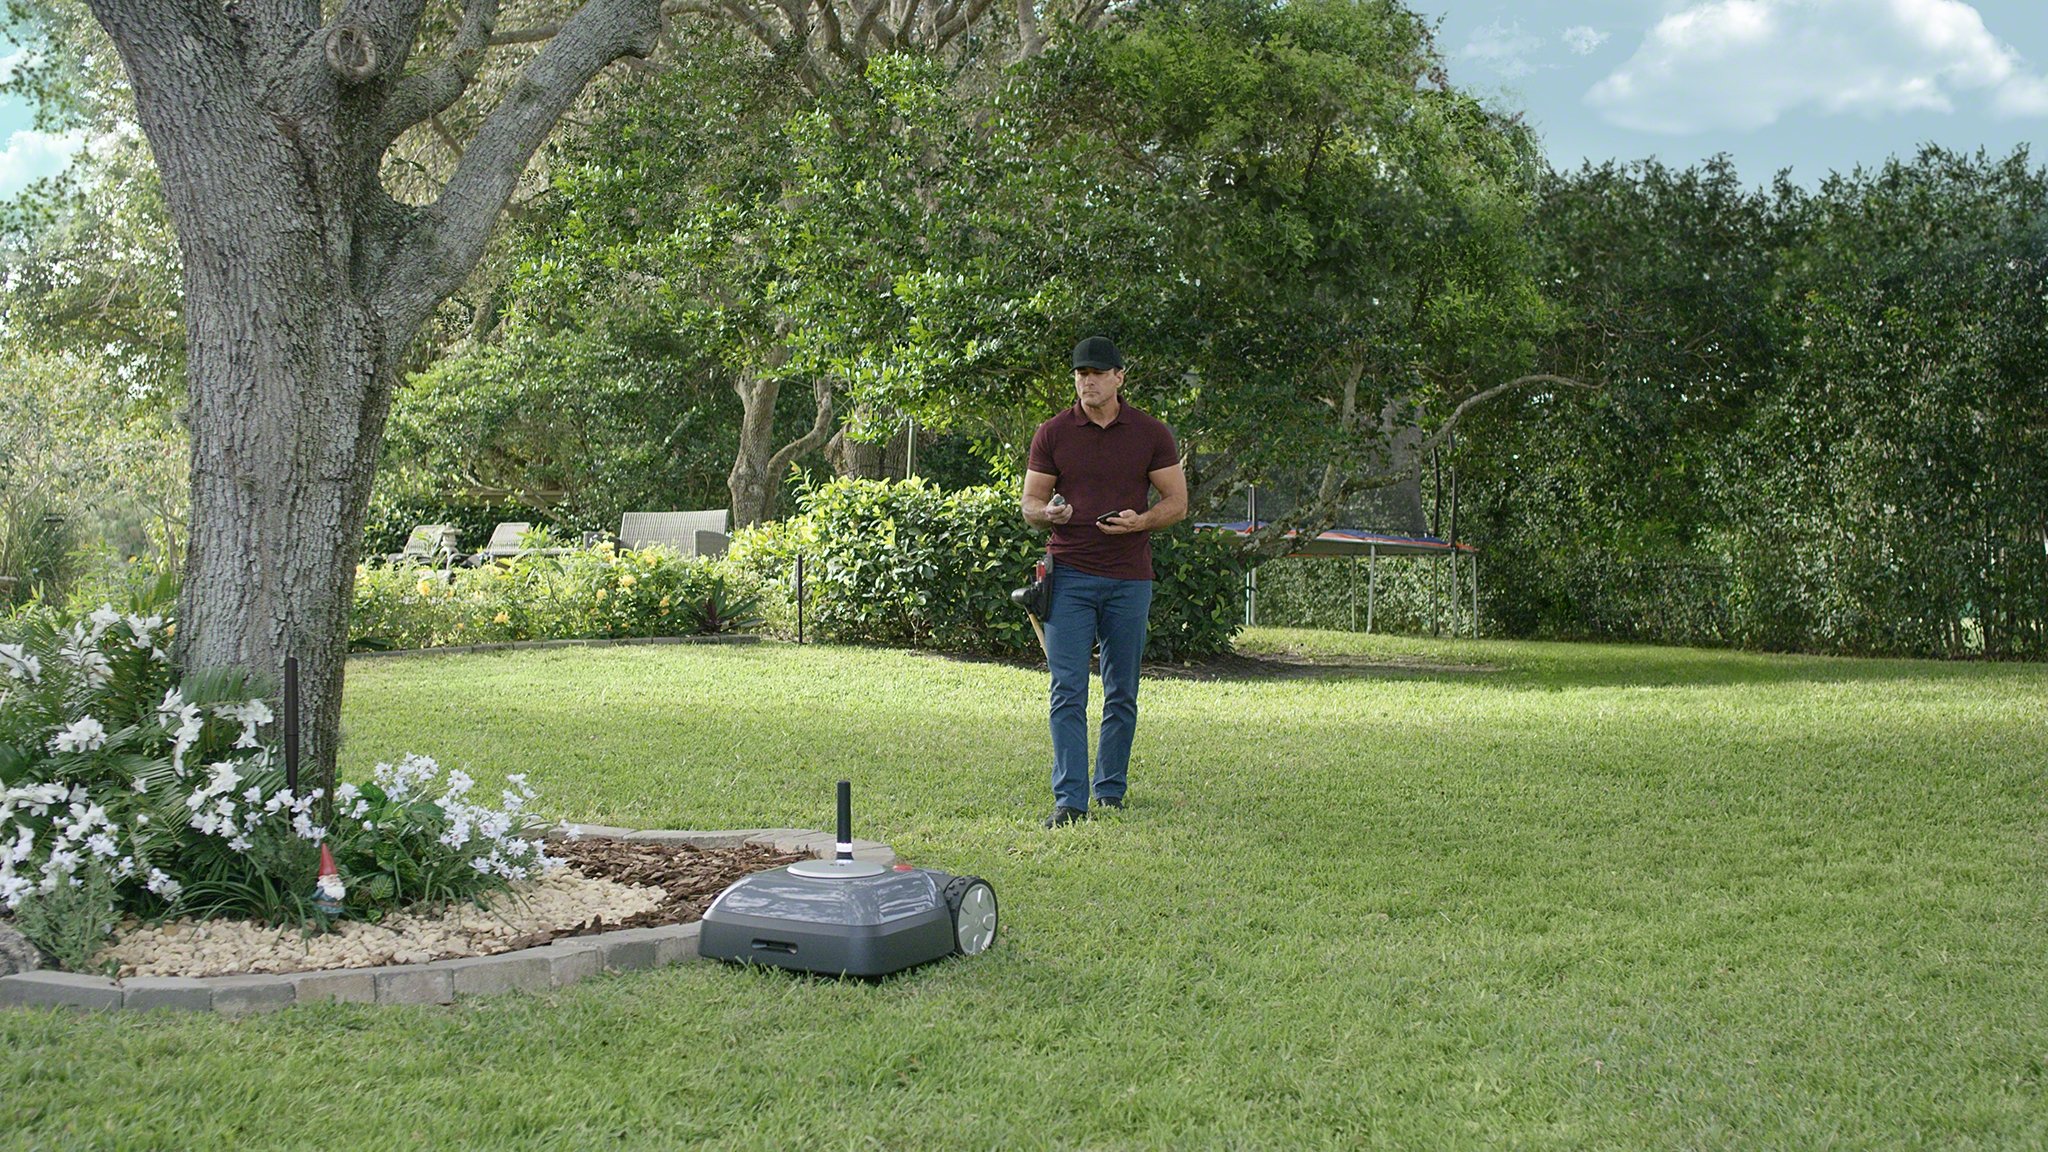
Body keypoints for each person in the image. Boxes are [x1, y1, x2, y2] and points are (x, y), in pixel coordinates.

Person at [1020, 336, 1187, 827]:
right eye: (1079, 374)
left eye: (1096, 372)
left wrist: (1141, 522)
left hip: (1129, 579)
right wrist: (1048, 513)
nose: (1087, 381)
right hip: (1068, 574)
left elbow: (1176, 502)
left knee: (1122, 691)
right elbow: (1030, 504)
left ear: (1119, 376)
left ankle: (1109, 791)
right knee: (1066, 688)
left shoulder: (1150, 433)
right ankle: (1070, 802)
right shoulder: (1052, 433)